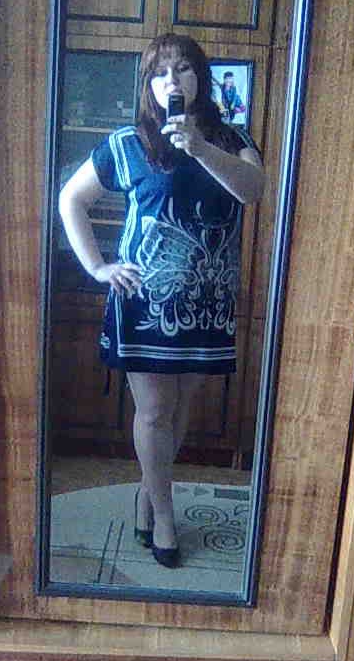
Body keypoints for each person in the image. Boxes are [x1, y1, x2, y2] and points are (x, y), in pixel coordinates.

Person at [58, 33, 264, 568]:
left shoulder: (233, 138)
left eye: (183, 69)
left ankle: (147, 498)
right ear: (148, 84)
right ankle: (165, 518)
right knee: (153, 412)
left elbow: (253, 190)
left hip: (208, 302)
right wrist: (97, 267)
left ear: (201, 77)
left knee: (180, 409)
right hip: (144, 300)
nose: (172, 80)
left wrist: (199, 147)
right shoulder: (128, 143)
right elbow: (71, 199)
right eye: (160, 72)